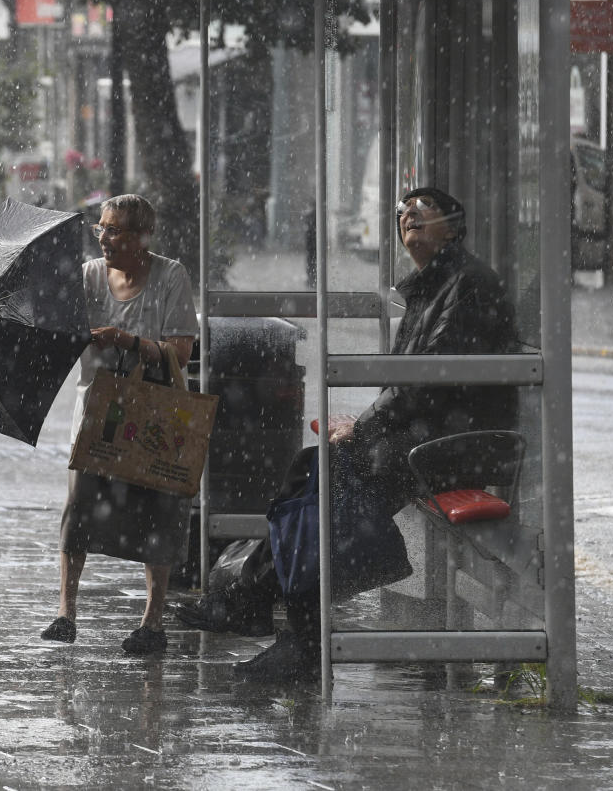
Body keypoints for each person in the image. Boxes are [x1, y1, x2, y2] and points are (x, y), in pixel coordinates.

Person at [179, 187, 518, 681]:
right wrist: (360, 428)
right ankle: (265, 606)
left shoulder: (466, 285)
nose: (408, 221)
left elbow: (426, 381)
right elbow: (411, 386)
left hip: (457, 446)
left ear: (454, 226)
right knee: (313, 469)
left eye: (422, 215)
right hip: (430, 438)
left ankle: (285, 626)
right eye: (403, 214)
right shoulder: (433, 284)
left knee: (333, 485)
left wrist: (360, 428)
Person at [40, 194, 199, 655]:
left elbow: (181, 352)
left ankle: (153, 621)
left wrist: (126, 340)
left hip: (155, 416)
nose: (105, 239)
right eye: (101, 230)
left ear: (141, 237)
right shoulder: (88, 277)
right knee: (79, 511)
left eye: (115, 231)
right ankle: (65, 613)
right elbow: (60, 333)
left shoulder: (171, 277)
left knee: (159, 514)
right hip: (97, 413)